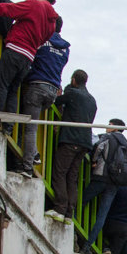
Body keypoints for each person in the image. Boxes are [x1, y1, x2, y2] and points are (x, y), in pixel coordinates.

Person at [0, 0, 60, 128]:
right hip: (28, 58)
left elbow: (9, 9)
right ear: (54, 1)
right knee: (13, 90)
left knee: (1, 84)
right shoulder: (52, 23)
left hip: (16, 49)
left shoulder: (34, 5)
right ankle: (8, 126)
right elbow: (42, 41)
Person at [15, 18, 70, 177]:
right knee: (34, 125)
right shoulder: (66, 48)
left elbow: (33, 57)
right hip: (52, 91)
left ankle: (27, 167)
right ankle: (35, 153)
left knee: (30, 127)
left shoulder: (42, 39)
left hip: (37, 85)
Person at [44, 71, 96, 223]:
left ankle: (59, 207)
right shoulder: (92, 100)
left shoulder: (72, 93)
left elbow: (56, 102)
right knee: (72, 177)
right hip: (85, 143)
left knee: (59, 172)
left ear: (74, 80)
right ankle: (69, 213)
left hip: (71, 139)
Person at [79, 119, 127, 250]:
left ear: (114, 127)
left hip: (101, 175)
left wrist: (94, 161)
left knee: (82, 200)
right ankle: (88, 245)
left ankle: (74, 225)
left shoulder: (108, 137)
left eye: (109, 125)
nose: (107, 127)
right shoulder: (124, 142)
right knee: (102, 215)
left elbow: (98, 148)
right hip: (114, 181)